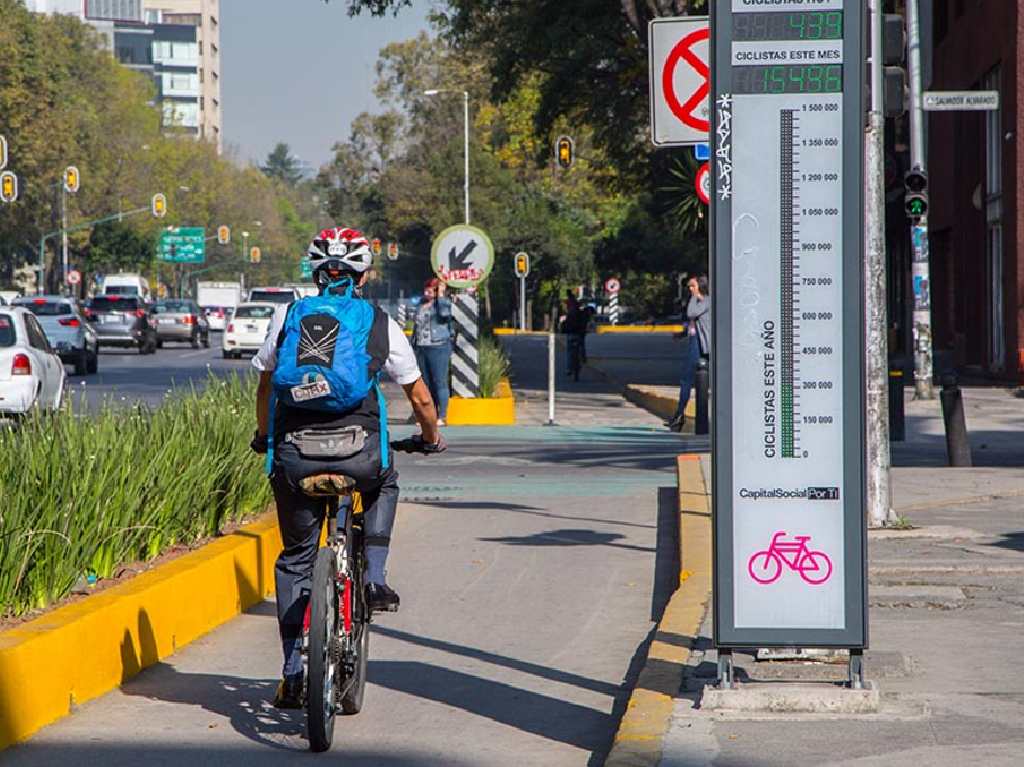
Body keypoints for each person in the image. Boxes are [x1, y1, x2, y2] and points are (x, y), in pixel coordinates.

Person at [249, 226, 446, 709]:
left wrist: (263, 437)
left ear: (315, 273)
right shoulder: (378, 322)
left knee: (296, 558)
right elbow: (419, 395)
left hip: (295, 454)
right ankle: (374, 577)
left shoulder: (289, 314)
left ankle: (294, 670)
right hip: (359, 454)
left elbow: (264, 388)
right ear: (363, 274)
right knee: (386, 481)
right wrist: (430, 437)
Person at [669, 275, 710, 432]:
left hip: (701, 345)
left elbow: (691, 313)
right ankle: (679, 414)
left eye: (693, 286)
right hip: (694, 341)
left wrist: (694, 297)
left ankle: (679, 416)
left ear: (700, 286)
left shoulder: (707, 300)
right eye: (689, 287)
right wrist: (681, 335)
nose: (690, 289)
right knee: (685, 379)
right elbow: (693, 324)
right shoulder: (699, 301)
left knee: (689, 378)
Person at [411, 278, 453, 426]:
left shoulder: (443, 304)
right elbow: (416, 327)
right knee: (425, 383)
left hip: (438, 346)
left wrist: (441, 295)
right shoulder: (421, 305)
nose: (426, 292)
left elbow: (444, 315)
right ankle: (429, 414)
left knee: (439, 381)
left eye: (431, 289)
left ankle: (442, 416)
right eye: (426, 289)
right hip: (422, 347)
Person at [561, 291, 587, 380]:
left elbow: (564, 326)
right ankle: (583, 358)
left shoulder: (569, 315)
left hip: (572, 334)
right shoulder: (580, 313)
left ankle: (569, 368)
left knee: (569, 350)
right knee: (581, 345)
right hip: (578, 334)